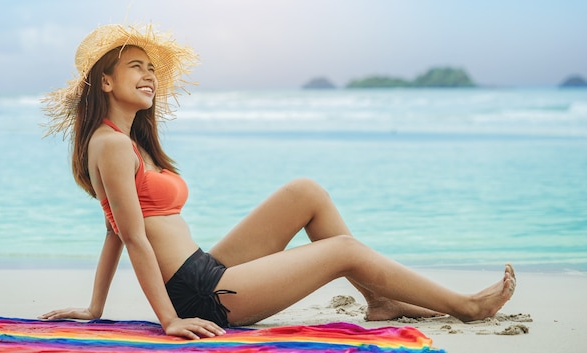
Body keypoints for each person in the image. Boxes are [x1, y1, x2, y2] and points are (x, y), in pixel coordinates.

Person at [40, 23, 516, 340]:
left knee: (305, 192)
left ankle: (381, 301)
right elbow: (133, 238)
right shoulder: (111, 145)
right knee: (344, 250)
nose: (149, 76)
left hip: (204, 269)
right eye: (136, 67)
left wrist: (94, 308)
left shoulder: (128, 141)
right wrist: (169, 319)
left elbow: (112, 231)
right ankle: (467, 306)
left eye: (151, 69)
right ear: (105, 82)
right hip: (200, 296)